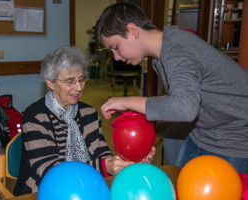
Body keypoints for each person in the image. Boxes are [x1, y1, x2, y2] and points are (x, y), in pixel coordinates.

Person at [95, 3, 248, 174]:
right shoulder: (160, 56)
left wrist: (127, 101)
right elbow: (180, 100)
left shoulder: (175, 50)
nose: (116, 57)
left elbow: (185, 108)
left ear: (132, 30)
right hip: (205, 131)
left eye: (115, 47)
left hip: (235, 138)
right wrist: (132, 105)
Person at [13, 46, 155, 196]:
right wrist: (104, 167)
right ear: (50, 83)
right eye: (70, 81)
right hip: (42, 191)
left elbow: (102, 155)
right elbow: (53, 172)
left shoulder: (89, 113)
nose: (79, 87)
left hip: (87, 188)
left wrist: (131, 162)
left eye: (81, 80)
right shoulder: (35, 116)